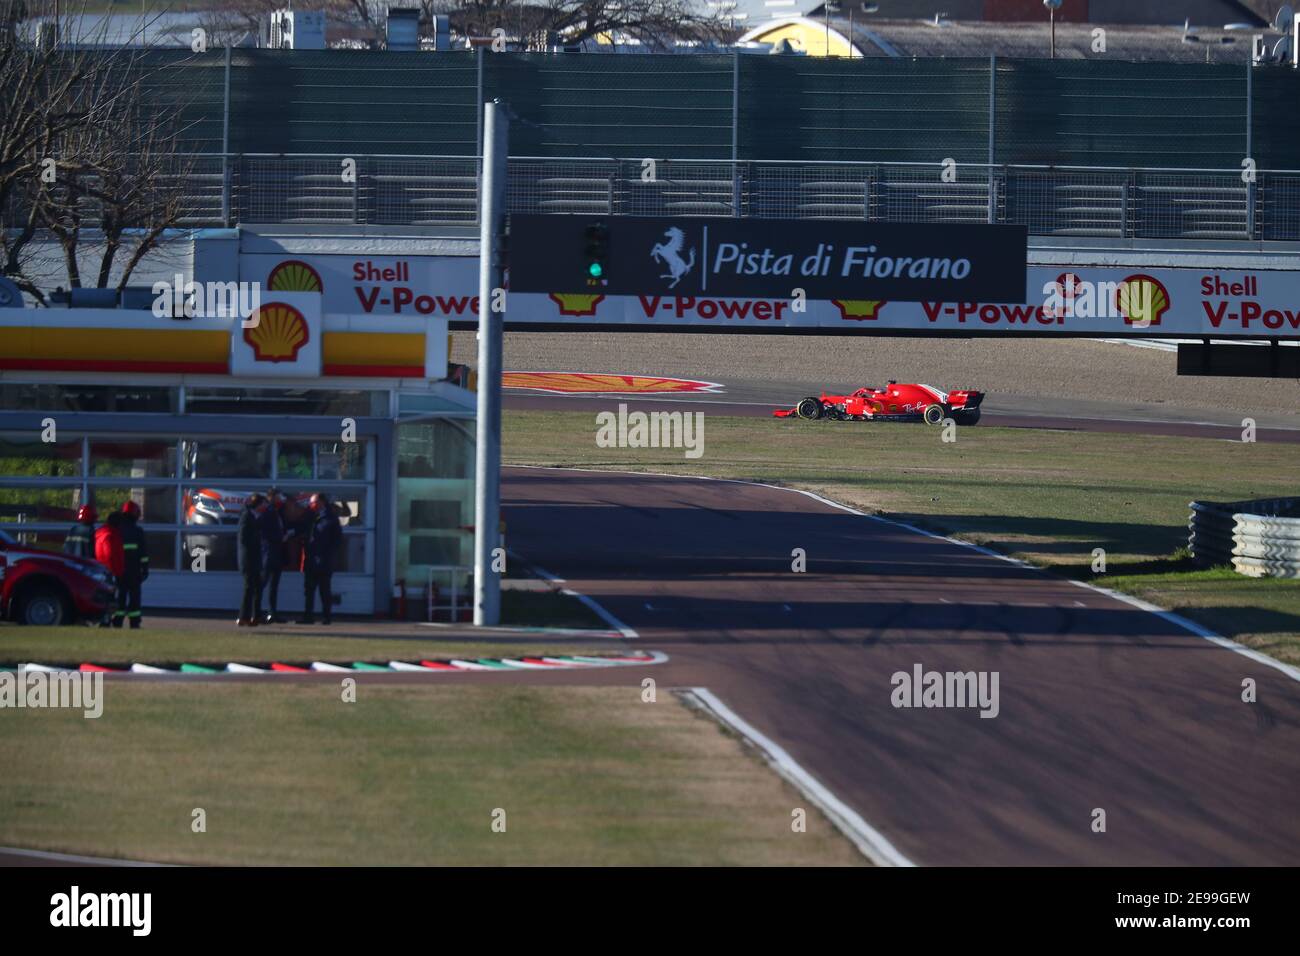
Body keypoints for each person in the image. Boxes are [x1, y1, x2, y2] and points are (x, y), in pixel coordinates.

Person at [299, 492, 341, 625]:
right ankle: (308, 617)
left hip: (324, 561)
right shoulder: (310, 516)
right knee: (309, 590)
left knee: (324, 591)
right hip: (311, 560)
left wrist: (328, 554)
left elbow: (337, 540)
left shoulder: (330, 518)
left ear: (321, 502)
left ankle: (326, 617)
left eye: (314, 502)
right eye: (311, 503)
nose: (311, 505)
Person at [258, 488, 289, 624]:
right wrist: (279, 538)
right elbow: (264, 533)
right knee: (262, 583)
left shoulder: (278, 512)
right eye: (278, 496)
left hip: (277, 553)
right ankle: (256, 611)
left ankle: (272, 612)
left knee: (274, 585)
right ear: (271, 497)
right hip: (269, 553)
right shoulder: (267, 512)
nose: (280, 498)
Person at [117, 500, 149, 629]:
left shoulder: (117, 530)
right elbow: (143, 553)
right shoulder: (138, 531)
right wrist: (145, 569)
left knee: (120, 596)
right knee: (134, 598)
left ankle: (117, 621)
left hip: (119, 571)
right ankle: (134, 622)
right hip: (134, 571)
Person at [236, 493, 266, 627]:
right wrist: (254, 541)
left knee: (257, 587)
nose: (264, 506)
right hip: (248, 558)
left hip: (255, 558)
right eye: (262, 504)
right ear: (257, 504)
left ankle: (256, 615)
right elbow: (243, 537)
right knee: (249, 588)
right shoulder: (247, 516)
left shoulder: (256, 517)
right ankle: (243, 616)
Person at [94, 511, 125, 628]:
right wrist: (117, 573)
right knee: (110, 600)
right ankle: (105, 621)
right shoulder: (111, 534)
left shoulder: (101, 533)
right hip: (111, 573)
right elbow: (110, 555)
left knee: (106, 599)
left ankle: (105, 620)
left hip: (103, 571)